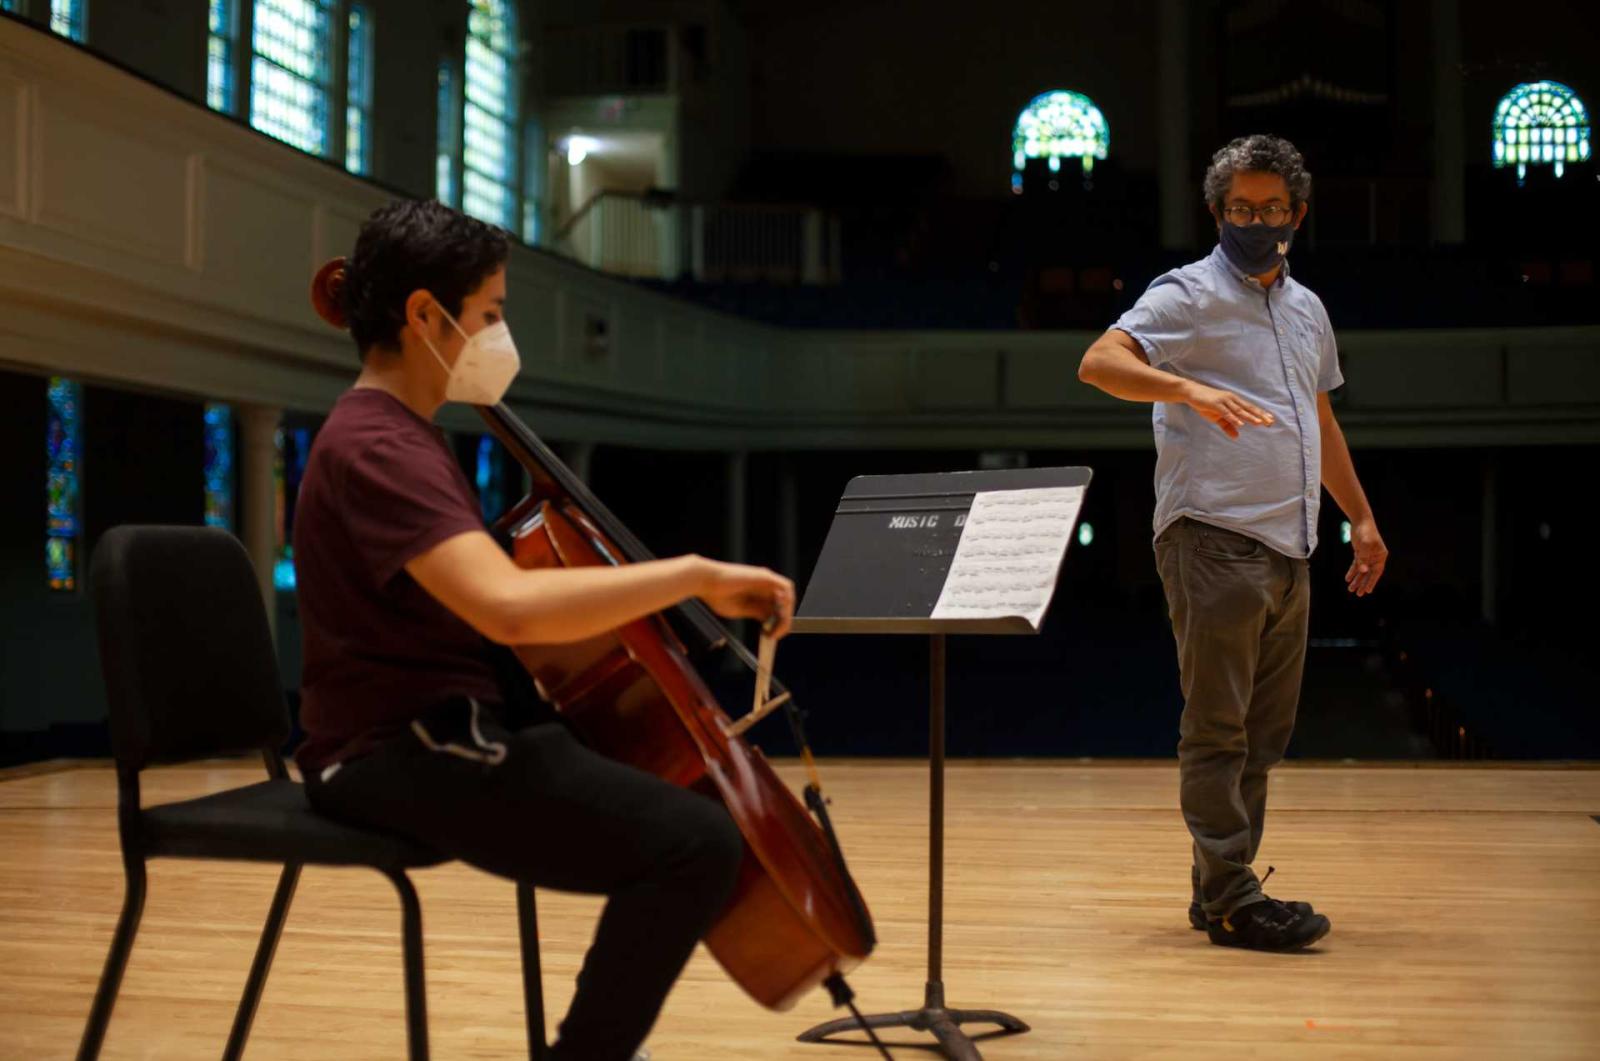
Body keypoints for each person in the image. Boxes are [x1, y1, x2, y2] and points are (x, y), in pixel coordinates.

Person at [292, 198, 795, 1059]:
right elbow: (507, 605)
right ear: (424, 315)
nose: (498, 332)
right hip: (397, 752)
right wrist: (694, 576)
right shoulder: (376, 447)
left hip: (451, 730)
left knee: (672, 815)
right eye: (488, 312)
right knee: (695, 841)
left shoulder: (401, 436)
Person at [1077, 135, 1388, 951]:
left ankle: (1218, 887)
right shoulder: (1186, 295)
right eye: (1242, 209)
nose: (1258, 221)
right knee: (1218, 727)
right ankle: (1234, 896)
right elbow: (1099, 361)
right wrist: (1186, 385)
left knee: (1263, 734)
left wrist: (1361, 516)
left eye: (1273, 209)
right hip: (1212, 537)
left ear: (1298, 215)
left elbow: (1320, 421)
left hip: (1291, 546)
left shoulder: (1308, 309)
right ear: (1217, 212)